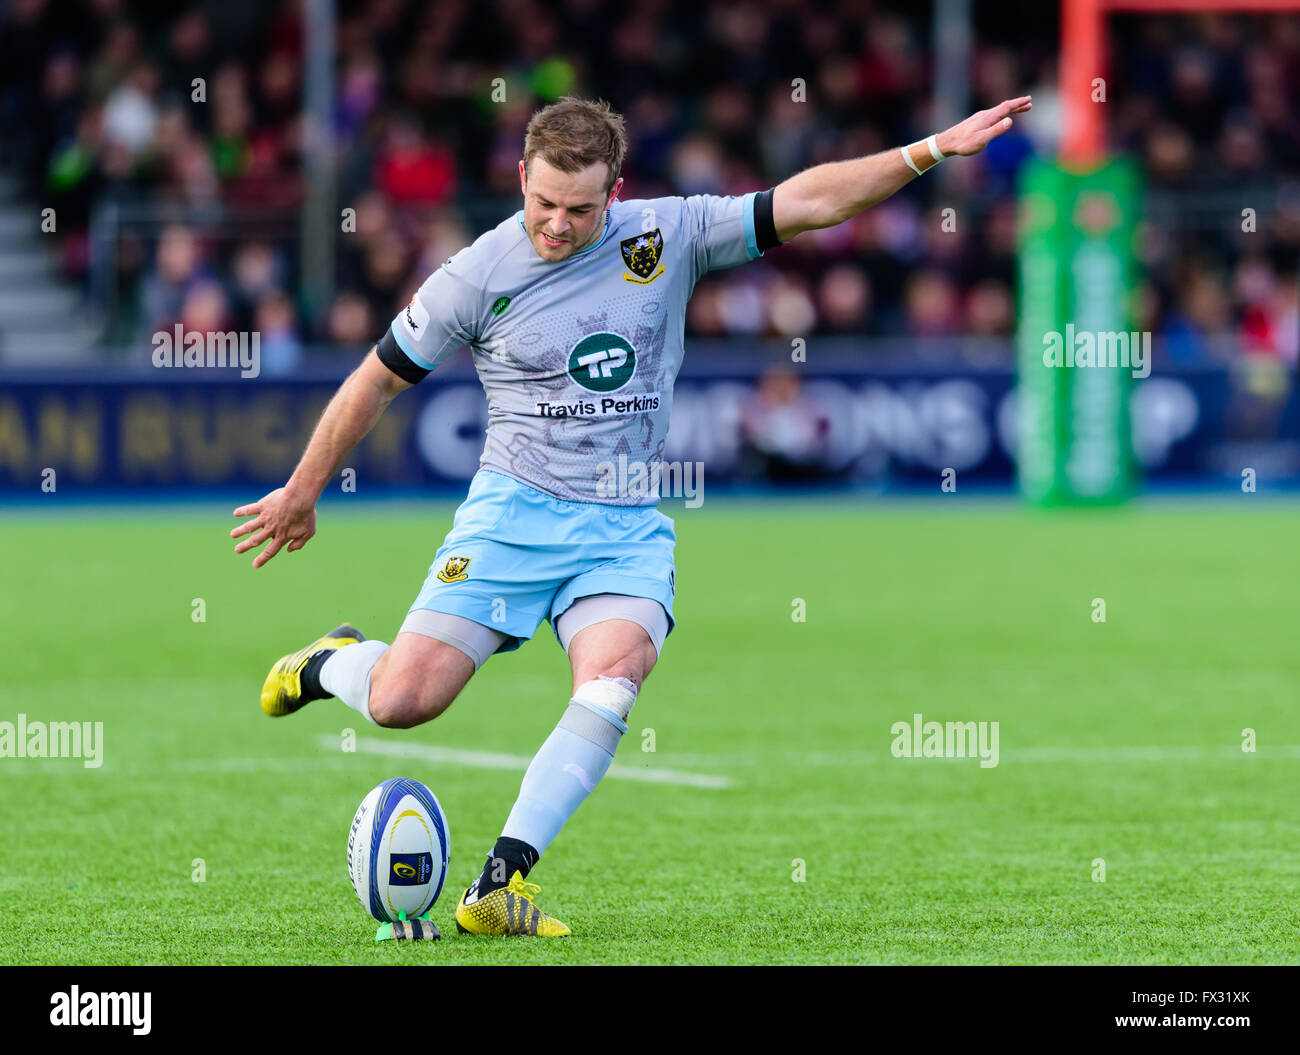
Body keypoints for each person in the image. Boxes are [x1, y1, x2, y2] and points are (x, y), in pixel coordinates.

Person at [231, 93, 1031, 936]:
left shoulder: (667, 234)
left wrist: (930, 148)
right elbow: (378, 378)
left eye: (579, 209)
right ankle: (331, 663)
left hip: (622, 526)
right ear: (520, 179)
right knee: (402, 704)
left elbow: (810, 201)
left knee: (612, 683)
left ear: (615, 193)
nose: (557, 224)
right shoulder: (474, 275)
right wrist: (303, 488)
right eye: (542, 203)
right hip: (512, 514)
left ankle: (498, 883)